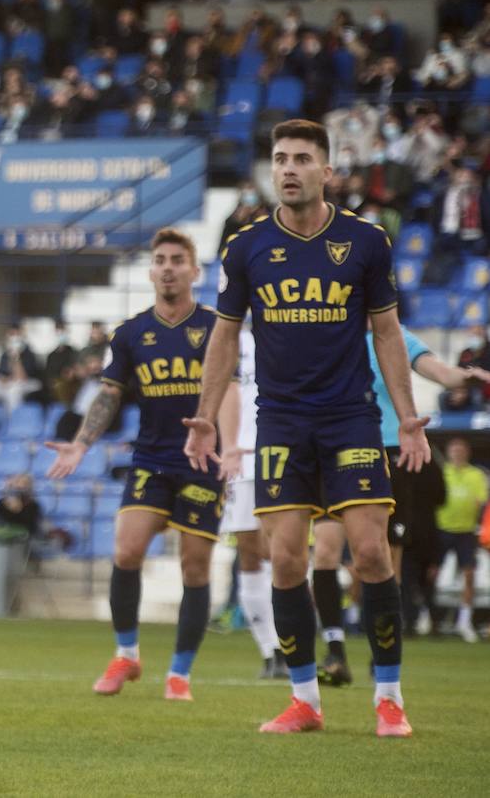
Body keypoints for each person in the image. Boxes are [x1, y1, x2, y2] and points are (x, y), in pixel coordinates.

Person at [186, 119, 430, 737]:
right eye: (279, 159)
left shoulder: (367, 242)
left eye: (301, 158)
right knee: (286, 561)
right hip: (282, 424)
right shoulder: (244, 247)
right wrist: (206, 418)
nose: (288, 168)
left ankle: (389, 698)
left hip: (351, 418)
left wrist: (407, 418)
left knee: (372, 553)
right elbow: (222, 337)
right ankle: (304, 701)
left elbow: (387, 333)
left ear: (328, 170)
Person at [48, 228, 222, 702]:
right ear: (151, 271)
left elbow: (236, 391)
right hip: (151, 458)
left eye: (177, 260)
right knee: (125, 552)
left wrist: (237, 451)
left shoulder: (216, 328)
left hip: (204, 461)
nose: (168, 267)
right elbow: (109, 396)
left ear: (194, 270)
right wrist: (81, 445)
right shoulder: (130, 334)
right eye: (160, 259)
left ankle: (180, 673)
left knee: (195, 567)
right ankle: (127, 654)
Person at [311, 325, 488, 684]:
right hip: (336, 450)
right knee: (325, 552)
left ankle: (383, 656)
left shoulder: (397, 337)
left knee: (381, 560)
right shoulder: (328, 330)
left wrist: (466, 376)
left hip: (390, 452)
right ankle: (334, 651)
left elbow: (438, 371)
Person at [217, 323, 286, 678]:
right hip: (240, 457)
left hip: (281, 451)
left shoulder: (287, 332)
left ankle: (290, 644)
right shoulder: (227, 339)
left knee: (282, 550)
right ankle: (269, 649)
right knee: (249, 551)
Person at [436, 438, 487, 643]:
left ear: (467, 452)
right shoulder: (442, 472)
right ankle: (428, 616)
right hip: (442, 529)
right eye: (453, 449)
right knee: (431, 573)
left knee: (469, 575)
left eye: (461, 450)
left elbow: (480, 501)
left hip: (465, 531)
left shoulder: (475, 475)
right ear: (448, 452)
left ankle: (464, 621)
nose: (457, 453)